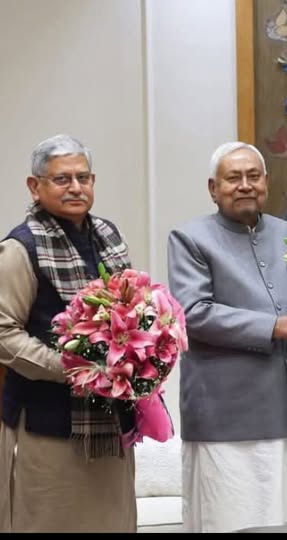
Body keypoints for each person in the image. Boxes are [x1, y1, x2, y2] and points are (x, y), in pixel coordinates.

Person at [166, 141, 287, 533]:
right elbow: (193, 313)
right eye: (233, 178)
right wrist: (277, 327)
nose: (244, 185)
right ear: (213, 188)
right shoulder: (189, 238)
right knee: (228, 524)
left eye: (253, 176)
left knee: (286, 526)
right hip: (225, 419)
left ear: (266, 183)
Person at [0, 134, 136, 532]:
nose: (76, 187)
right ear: (35, 186)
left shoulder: (108, 237)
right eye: (62, 179)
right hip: (47, 426)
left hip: (110, 421)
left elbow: (132, 313)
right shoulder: (20, 248)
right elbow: (4, 333)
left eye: (83, 177)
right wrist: (73, 369)